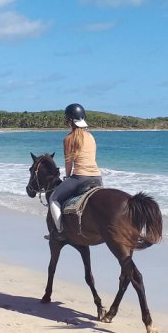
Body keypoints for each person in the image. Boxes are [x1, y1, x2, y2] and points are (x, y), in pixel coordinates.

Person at [47, 103, 103, 240]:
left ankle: (60, 231)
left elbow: (68, 163)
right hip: (98, 178)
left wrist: (67, 177)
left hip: (80, 178)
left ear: (70, 120)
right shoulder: (91, 137)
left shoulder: (68, 138)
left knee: (53, 199)